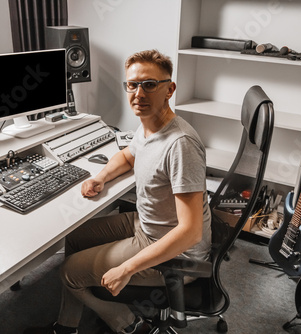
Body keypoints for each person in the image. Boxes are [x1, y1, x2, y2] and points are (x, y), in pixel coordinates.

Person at [25, 49, 211, 334]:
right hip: (146, 225)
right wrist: (100, 178)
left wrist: (127, 268)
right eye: (132, 85)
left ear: (169, 90)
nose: (139, 93)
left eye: (150, 84)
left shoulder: (180, 145)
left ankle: (127, 323)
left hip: (177, 253)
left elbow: (190, 231)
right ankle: (68, 326)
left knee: (68, 273)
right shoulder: (148, 126)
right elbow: (128, 157)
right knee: (73, 238)